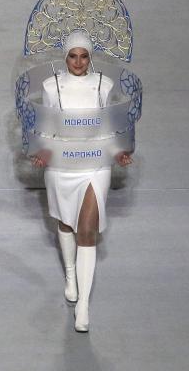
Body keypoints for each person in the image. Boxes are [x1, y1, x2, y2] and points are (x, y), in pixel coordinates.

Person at [30, 30, 133, 332]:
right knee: (65, 223)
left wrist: (118, 152)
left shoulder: (104, 84)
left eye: (84, 56)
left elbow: (108, 127)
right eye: (73, 56)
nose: (78, 62)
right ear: (65, 57)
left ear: (90, 57)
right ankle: (70, 274)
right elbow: (46, 127)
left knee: (87, 230)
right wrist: (42, 151)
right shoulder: (51, 87)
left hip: (94, 165)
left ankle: (84, 306)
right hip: (62, 165)